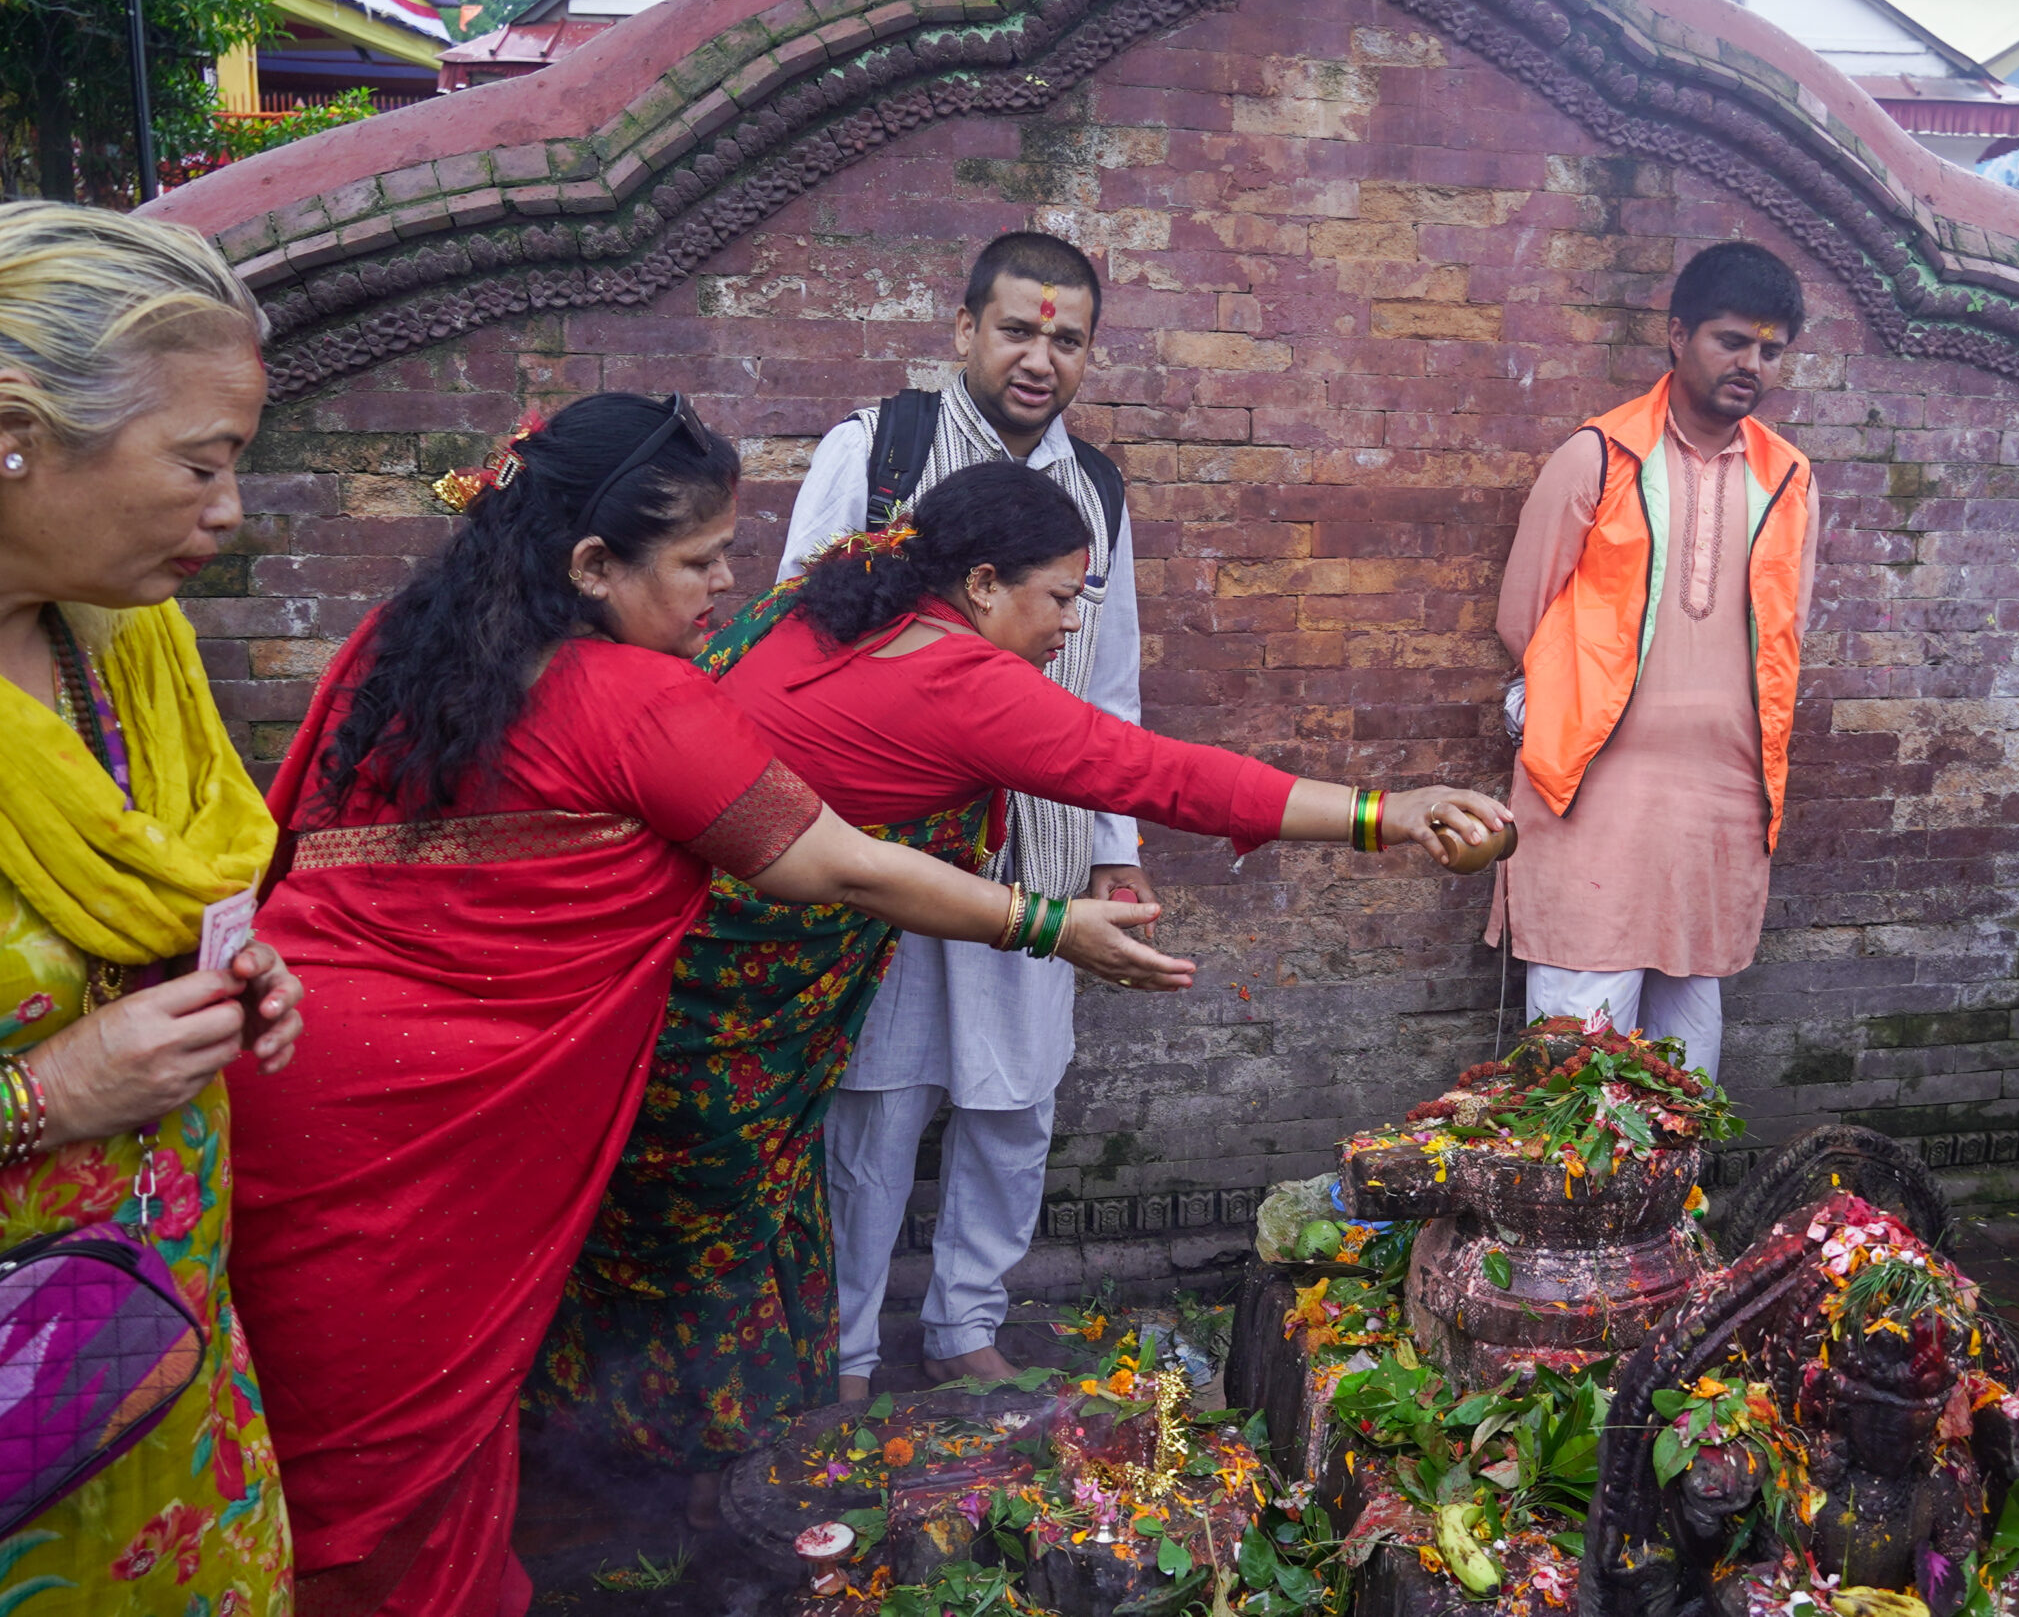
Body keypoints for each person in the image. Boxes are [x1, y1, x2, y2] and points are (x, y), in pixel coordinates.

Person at [224, 395, 1184, 1617]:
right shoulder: (638, 699)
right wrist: (1049, 924)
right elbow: (834, 861)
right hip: (433, 1125)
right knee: (394, 1484)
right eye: (695, 561)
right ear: (589, 565)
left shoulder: (393, 645)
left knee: (317, 1444)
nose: (726, 584)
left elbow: (280, 843)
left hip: (283, 1060)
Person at [529, 463, 1510, 1516]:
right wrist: (1385, 811)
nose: (1070, 628)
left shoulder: (849, 587)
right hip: (719, 989)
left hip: (658, 951)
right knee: (702, 1226)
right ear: (985, 584)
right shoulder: (965, 684)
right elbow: (1159, 773)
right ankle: (677, 1480)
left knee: (681, 1198)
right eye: (1060, 599)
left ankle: (645, 1441)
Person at [776, 231, 1158, 1395]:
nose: (1040, 357)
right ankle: (843, 1351)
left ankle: (962, 1329)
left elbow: (1108, 683)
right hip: (881, 841)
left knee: (1015, 1096)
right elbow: (795, 631)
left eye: (1067, 337)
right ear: (963, 332)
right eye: (1018, 329)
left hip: (1033, 836)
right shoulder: (878, 450)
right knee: (876, 1100)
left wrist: (1113, 856)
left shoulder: (1094, 488)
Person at [0, 202, 307, 1605]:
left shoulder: (120, 640)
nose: (230, 509)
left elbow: (172, 896)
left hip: (153, 1366)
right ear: (18, 433)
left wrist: (232, 977)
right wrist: (43, 1097)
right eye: (203, 461)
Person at [1487, 241, 1819, 1079]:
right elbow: (1523, 615)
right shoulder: (1597, 456)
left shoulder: (1788, 478)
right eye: (1731, 340)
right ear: (1678, 336)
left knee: (1685, 1048)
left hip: (1720, 799)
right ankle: (1570, 1214)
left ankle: (1671, 1210)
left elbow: (1785, 633)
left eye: (1771, 350)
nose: (1752, 364)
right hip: (1594, 788)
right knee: (1578, 1041)